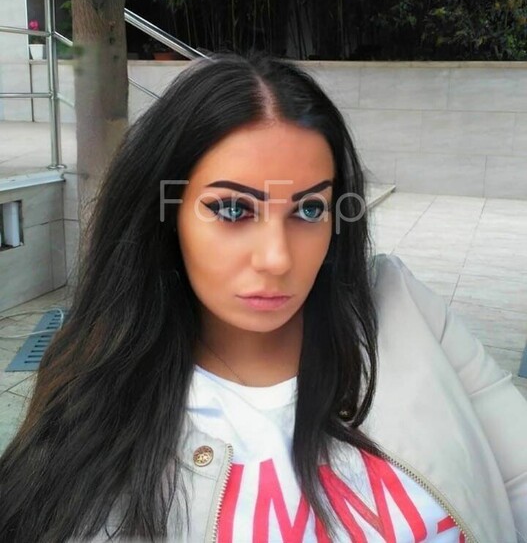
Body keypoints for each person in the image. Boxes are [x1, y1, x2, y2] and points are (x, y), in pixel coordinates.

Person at [0, 54, 526, 543]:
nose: (277, 258)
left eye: (309, 210)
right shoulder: (96, 390)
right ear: (166, 218)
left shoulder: (400, 308)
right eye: (233, 210)